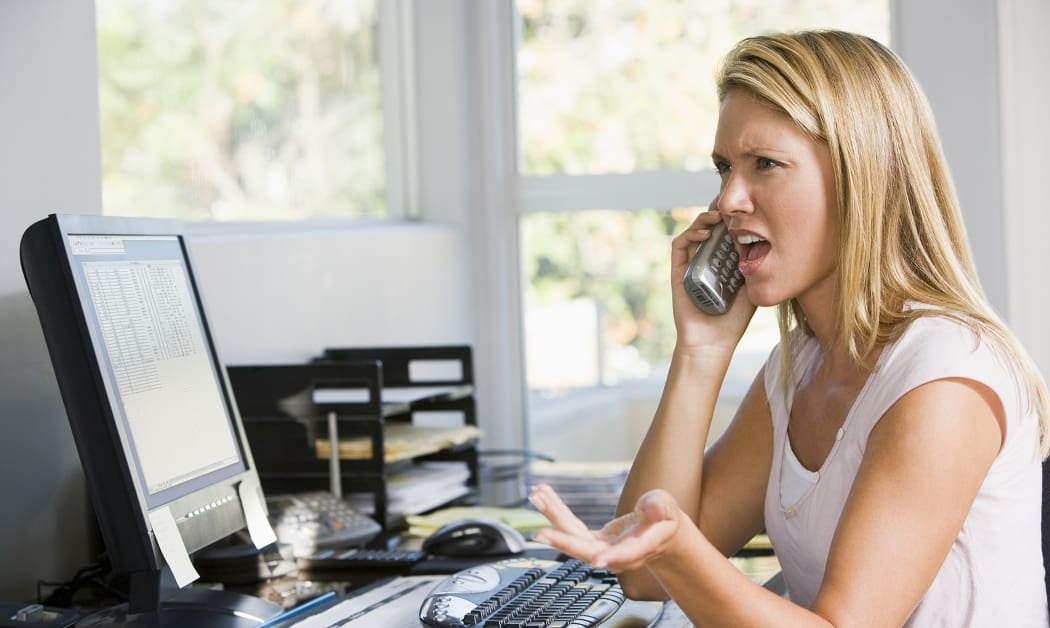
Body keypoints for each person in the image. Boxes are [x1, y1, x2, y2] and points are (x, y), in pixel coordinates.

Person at [527, 30, 1050, 626]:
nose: (728, 200)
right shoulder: (798, 367)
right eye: (724, 168)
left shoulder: (946, 378)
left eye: (765, 165)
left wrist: (677, 545)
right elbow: (643, 575)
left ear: (861, 177)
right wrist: (699, 352)